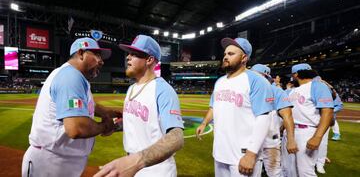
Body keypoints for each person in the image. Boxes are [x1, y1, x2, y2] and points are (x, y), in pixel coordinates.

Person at [22, 37, 119, 177]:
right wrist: (105, 126)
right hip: (51, 164)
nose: (101, 61)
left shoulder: (74, 76)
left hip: (58, 160)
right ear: (80, 53)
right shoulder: (71, 77)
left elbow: (85, 104)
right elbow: (77, 128)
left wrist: (107, 112)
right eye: (97, 55)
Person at [94, 35, 184, 177]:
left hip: (156, 170)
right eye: (128, 54)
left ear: (149, 60)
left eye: (134, 54)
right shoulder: (132, 88)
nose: (127, 57)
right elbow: (138, 121)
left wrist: (136, 161)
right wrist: (113, 126)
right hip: (134, 166)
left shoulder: (163, 90)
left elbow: (176, 137)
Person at [196, 37, 274, 177]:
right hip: (220, 152)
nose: (225, 57)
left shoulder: (257, 81)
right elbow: (213, 106)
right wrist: (204, 123)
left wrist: (251, 154)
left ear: (244, 57)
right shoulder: (220, 81)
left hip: (243, 154)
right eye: (225, 54)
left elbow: (264, 118)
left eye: (231, 54)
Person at [283, 63, 334, 177]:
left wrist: (317, 137)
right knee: (288, 169)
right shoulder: (291, 90)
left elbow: (327, 111)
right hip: (289, 132)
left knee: (305, 172)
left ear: (296, 74)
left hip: (306, 132)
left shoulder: (317, 86)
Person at [251, 64, 298, 177]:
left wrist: (291, 140)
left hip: (270, 139)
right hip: (251, 138)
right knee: (251, 171)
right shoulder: (247, 88)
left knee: (274, 172)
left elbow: (288, 116)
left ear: (265, 76)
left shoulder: (276, 91)